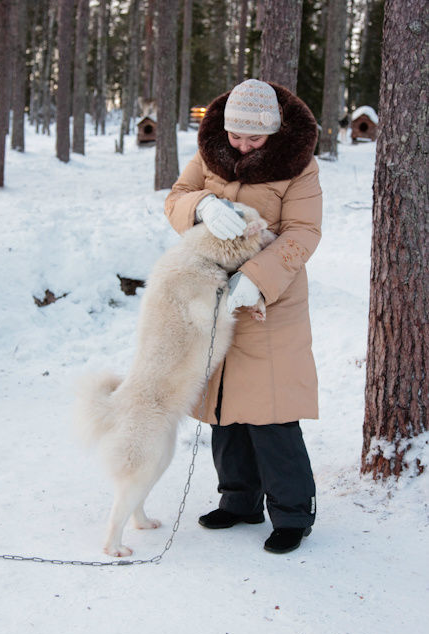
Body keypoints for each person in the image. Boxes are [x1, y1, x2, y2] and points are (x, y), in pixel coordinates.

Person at [164, 79, 322, 554]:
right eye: (237, 136)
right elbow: (176, 197)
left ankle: (294, 513)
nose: (243, 145)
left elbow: (304, 232)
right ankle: (239, 501)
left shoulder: (300, 167)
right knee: (224, 408)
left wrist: (256, 277)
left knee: (270, 413)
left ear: (273, 132)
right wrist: (203, 206)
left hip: (268, 303)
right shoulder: (211, 152)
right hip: (210, 294)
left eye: (254, 138)